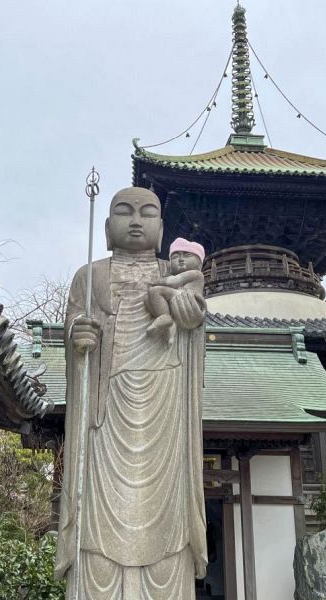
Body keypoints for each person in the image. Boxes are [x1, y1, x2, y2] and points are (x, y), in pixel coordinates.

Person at [55, 187, 207, 600]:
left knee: (168, 513)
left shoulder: (175, 270)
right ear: (107, 228)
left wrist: (192, 319)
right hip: (105, 411)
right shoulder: (89, 276)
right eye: (125, 212)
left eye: (147, 213)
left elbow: (195, 324)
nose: (136, 221)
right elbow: (75, 327)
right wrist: (78, 336)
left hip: (166, 404)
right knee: (97, 513)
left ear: (161, 229)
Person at [145, 238, 206, 345]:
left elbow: (173, 282)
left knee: (155, 291)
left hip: (189, 301)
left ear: (200, 265)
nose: (181, 259)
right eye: (175, 257)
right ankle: (171, 325)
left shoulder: (196, 274)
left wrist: (153, 281)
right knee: (148, 299)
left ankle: (165, 316)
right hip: (177, 300)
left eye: (188, 255)